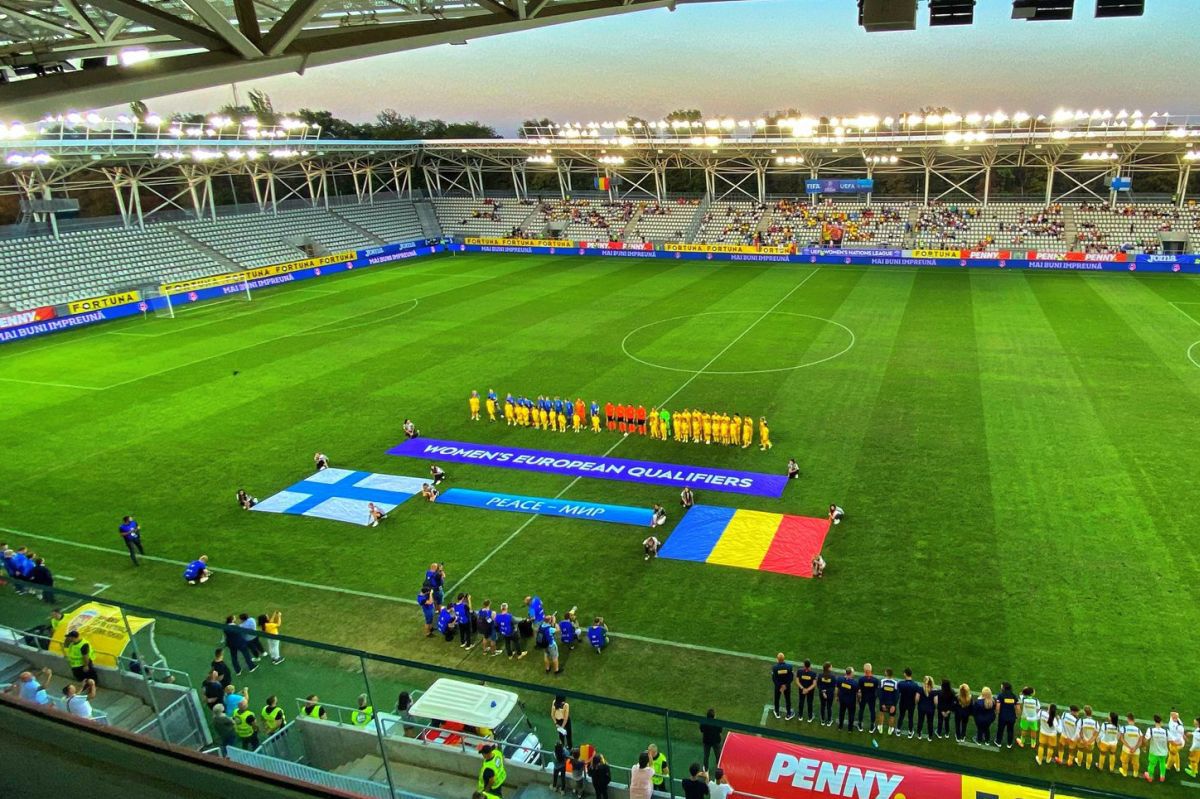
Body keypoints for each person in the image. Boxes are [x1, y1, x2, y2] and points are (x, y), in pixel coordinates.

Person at [1145, 715, 1169, 782]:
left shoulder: (1150, 730)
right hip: (1164, 752)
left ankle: (1150, 777)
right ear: (1161, 722)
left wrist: (1144, 746)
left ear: (1154, 722)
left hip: (1153, 751)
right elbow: (1170, 741)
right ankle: (1162, 777)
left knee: (1151, 764)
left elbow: (1146, 740)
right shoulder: (1166, 731)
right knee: (1162, 763)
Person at [895, 668, 918, 737]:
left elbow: (897, 694)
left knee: (901, 716)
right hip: (911, 704)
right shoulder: (915, 685)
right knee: (910, 718)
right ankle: (910, 732)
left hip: (903, 703)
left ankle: (898, 730)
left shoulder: (900, 684)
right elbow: (916, 696)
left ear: (905, 674)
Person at [995, 682, 1018, 748]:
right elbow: (1018, 706)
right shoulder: (1013, 695)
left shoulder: (1001, 695)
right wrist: (1016, 715)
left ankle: (998, 742)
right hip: (1012, 716)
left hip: (1003, 716)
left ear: (1004, 688)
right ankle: (1009, 744)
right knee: (1010, 730)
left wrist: (997, 713)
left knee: (1000, 729)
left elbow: (998, 706)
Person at [771, 653, 794, 720]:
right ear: (784, 658)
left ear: (777, 659)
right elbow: (791, 677)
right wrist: (785, 686)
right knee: (787, 699)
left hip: (778, 687)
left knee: (777, 699)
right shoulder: (789, 667)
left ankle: (777, 712)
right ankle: (788, 714)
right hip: (787, 686)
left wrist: (780, 687)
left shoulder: (775, 668)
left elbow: (774, 679)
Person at [857, 664, 878, 733]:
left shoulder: (861, 679)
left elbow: (859, 690)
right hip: (872, 698)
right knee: (872, 711)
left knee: (861, 710)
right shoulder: (875, 680)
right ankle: (872, 727)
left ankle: (859, 724)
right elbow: (876, 691)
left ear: (864, 670)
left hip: (863, 697)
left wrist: (858, 698)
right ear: (871, 670)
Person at [835, 667, 857, 731]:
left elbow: (837, 688)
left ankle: (840, 727)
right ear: (851, 673)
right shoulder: (854, 683)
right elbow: (858, 693)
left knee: (841, 713)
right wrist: (858, 701)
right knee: (851, 714)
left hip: (842, 700)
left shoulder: (840, 679)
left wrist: (836, 696)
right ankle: (850, 729)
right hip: (851, 701)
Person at [916, 676, 937, 741]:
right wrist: (934, 707)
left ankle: (919, 734)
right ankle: (930, 736)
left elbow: (917, 699)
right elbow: (936, 702)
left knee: (920, 721)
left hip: (921, 708)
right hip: (930, 709)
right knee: (930, 722)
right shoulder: (934, 690)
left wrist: (918, 704)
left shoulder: (920, 689)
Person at [817, 662, 836, 726]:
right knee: (829, 707)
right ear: (828, 668)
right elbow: (833, 688)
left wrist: (823, 692)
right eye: (831, 666)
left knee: (822, 706)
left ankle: (822, 720)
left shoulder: (820, 675)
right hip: (830, 694)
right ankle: (829, 721)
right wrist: (826, 691)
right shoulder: (833, 677)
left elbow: (819, 685)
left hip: (822, 694)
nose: (832, 667)